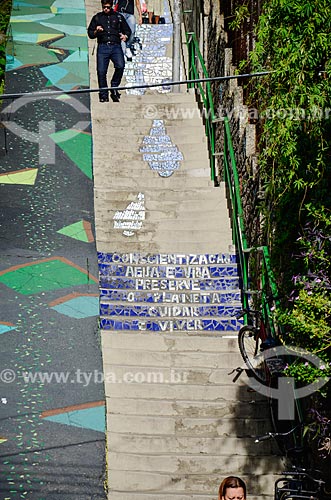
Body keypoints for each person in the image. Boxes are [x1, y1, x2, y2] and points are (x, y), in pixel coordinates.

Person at [87, 0, 131, 102]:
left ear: (111, 6)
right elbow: (90, 33)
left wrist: (126, 36)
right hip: (103, 46)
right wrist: (96, 31)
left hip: (116, 46)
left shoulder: (118, 17)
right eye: (104, 7)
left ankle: (114, 86)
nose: (106, 9)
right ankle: (103, 94)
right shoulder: (97, 17)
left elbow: (127, 30)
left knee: (120, 65)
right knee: (101, 71)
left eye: (108, 7)